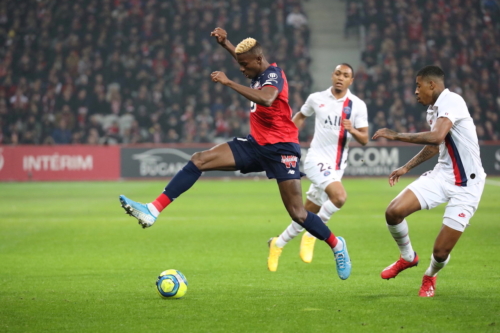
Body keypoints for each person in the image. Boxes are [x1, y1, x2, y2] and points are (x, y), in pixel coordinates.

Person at [119, 28, 352, 280]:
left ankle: (337, 245)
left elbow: (267, 98)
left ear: (259, 61)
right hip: (255, 145)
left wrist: (229, 82)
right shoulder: (256, 67)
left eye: (244, 65)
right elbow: (244, 59)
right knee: (200, 159)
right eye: (239, 66)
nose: (241, 69)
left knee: (297, 213)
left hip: (282, 148)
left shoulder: (273, 74)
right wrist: (225, 43)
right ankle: (153, 210)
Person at [372, 65, 486, 297]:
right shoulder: (433, 110)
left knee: (441, 252)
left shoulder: (452, 100)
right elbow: (436, 145)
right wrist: (406, 167)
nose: (415, 91)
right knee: (393, 212)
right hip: (442, 175)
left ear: (431, 85)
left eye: (418, 85)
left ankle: (430, 276)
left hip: (468, 186)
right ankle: (407, 257)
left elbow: (437, 135)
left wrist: (396, 135)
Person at [267, 64, 369, 272]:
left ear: (351, 81)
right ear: (332, 75)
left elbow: (365, 138)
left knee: (304, 214)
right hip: (315, 159)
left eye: (346, 75)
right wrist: (286, 137)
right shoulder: (316, 98)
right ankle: (311, 235)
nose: (341, 78)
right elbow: (301, 116)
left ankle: (277, 244)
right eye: (338, 73)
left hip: (336, 167)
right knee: (339, 197)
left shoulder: (357, 105)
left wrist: (353, 130)